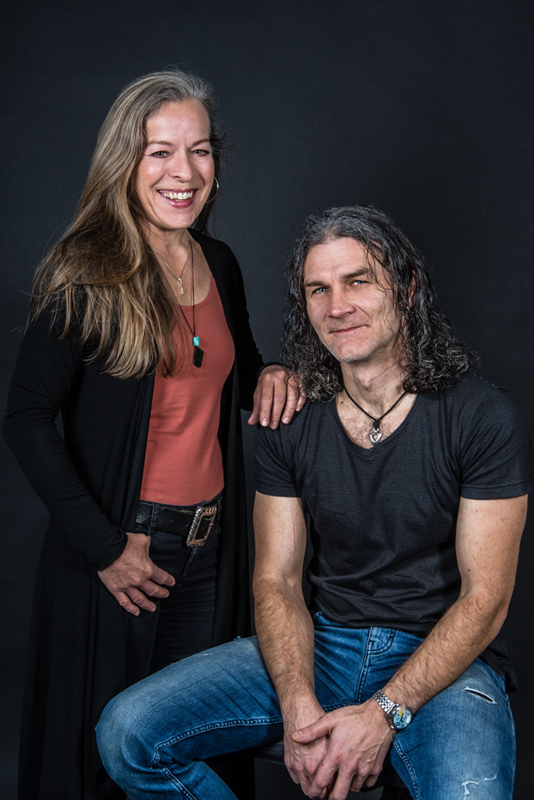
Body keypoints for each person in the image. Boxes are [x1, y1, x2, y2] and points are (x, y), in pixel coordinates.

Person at [96, 206, 530, 800]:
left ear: (406, 289)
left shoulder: (481, 416)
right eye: (318, 289)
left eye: (358, 281)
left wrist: (383, 714)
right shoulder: (291, 419)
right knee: (128, 734)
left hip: (445, 662)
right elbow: (275, 579)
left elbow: (486, 598)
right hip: (324, 646)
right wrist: (298, 703)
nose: (336, 306)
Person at [3, 70, 303, 800]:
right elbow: (27, 417)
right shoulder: (89, 273)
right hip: (124, 550)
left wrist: (271, 374)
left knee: (191, 749)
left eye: (199, 151)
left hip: (212, 546)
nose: (184, 172)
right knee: (112, 762)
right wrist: (106, 548)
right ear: (125, 162)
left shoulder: (218, 262)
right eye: (160, 152)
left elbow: (234, 367)